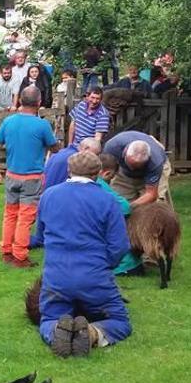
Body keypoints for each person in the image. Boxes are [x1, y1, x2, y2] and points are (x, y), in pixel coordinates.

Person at [35, 152, 132, 357]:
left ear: (69, 171)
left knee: (49, 317)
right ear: (97, 173)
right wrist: (104, 266)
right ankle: (92, 333)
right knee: (119, 321)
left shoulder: (48, 196)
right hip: (94, 276)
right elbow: (120, 245)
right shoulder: (107, 199)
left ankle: (56, 331)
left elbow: (41, 236)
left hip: (56, 276)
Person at [0, 87, 59, 268]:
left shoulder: (8, 122)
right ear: (39, 102)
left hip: (11, 176)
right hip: (32, 179)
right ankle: (20, 256)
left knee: (10, 214)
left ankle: (6, 250)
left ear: (20, 100)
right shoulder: (42, 125)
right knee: (25, 218)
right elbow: (55, 148)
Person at [97, 153, 143, 276]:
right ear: (106, 173)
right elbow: (125, 207)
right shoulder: (100, 185)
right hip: (123, 267)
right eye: (111, 177)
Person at [102, 131, 170, 206]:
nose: (132, 169)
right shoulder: (112, 147)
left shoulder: (155, 162)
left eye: (137, 167)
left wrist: (128, 207)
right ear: (125, 153)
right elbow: (105, 172)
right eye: (131, 165)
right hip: (123, 172)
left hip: (153, 171)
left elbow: (151, 194)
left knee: (155, 207)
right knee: (116, 202)